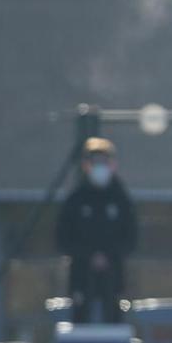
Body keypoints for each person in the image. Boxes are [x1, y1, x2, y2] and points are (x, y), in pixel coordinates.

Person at [55, 137, 139, 325]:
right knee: (81, 319)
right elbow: (62, 238)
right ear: (86, 166)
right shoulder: (76, 200)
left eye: (104, 162)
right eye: (95, 162)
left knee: (114, 318)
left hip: (114, 275)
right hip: (81, 276)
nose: (100, 167)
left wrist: (108, 255)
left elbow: (131, 238)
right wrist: (88, 256)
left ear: (113, 165)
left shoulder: (121, 199)